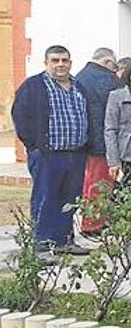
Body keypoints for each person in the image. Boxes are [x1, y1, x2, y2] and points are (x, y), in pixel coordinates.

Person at [12, 45, 91, 255]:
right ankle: (42, 243)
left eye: (64, 60)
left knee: (70, 200)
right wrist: (34, 146)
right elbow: (20, 116)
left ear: (70, 63)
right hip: (48, 155)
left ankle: (64, 241)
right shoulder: (34, 86)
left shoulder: (79, 87)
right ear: (46, 63)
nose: (60, 65)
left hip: (75, 154)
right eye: (55, 60)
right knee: (46, 198)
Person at [76, 47, 122, 236]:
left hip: (85, 139)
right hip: (102, 140)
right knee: (101, 183)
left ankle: (89, 220)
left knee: (90, 182)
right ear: (107, 62)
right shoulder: (106, 79)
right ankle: (93, 224)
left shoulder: (80, 76)